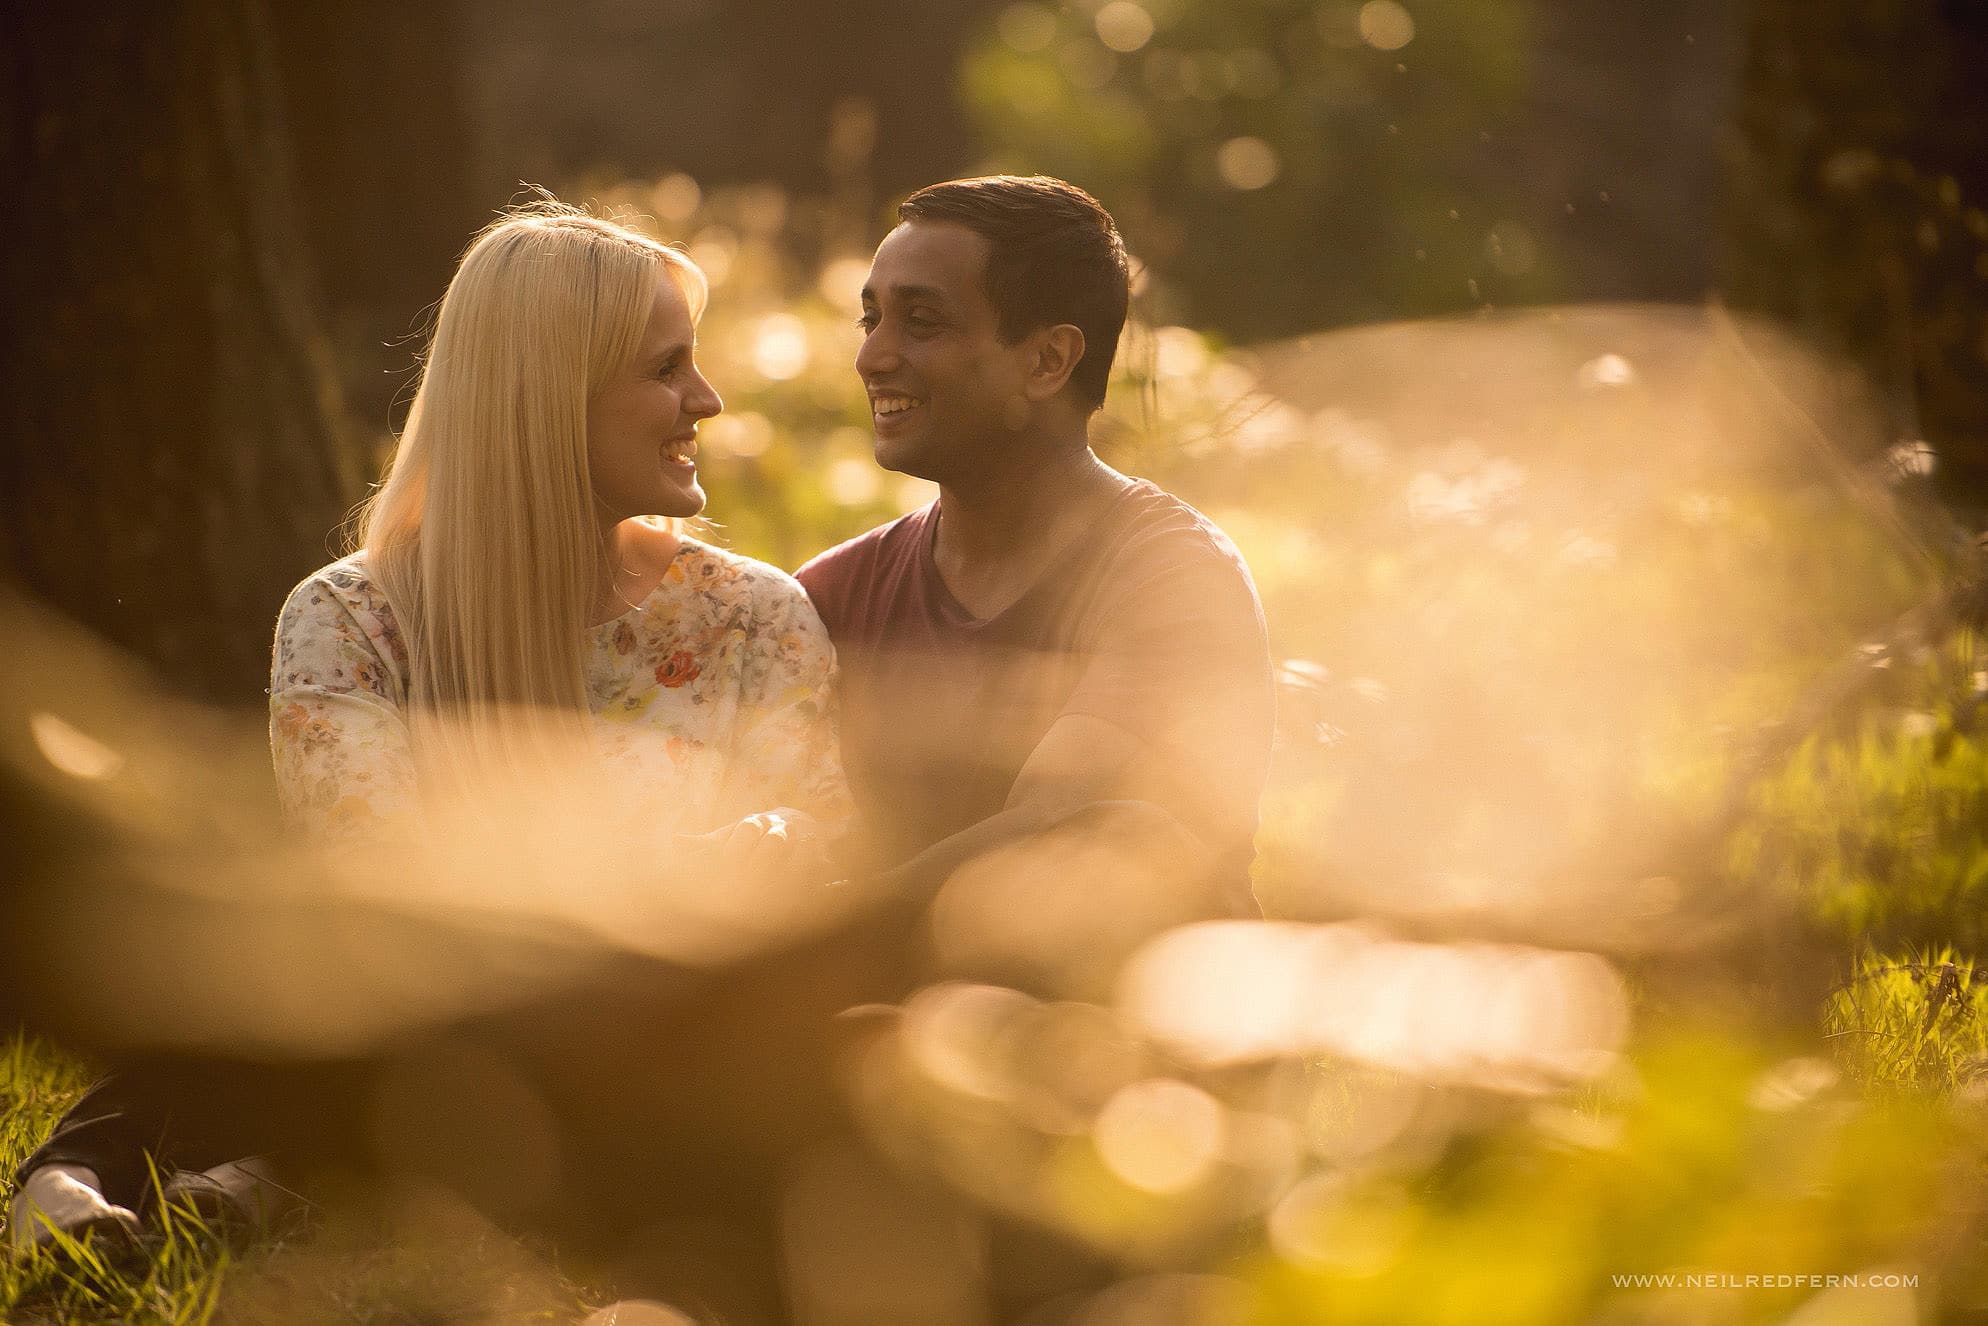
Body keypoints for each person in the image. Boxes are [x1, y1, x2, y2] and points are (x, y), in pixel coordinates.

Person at [9, 203, 850, 1256]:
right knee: (265, 999)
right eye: (666, 367)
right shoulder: (350, 619)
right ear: (547, 395)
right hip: (433, 1017)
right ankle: (71, 1192)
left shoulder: (755, 616)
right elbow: (374, 881)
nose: (707, 400)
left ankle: (266, 1189)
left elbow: (814, 852)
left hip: (672, 1036)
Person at [799, 175, 1275, 907]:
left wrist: (794, 945)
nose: (872, 357)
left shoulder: (1172, 576)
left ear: (1048, 361)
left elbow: (1055, 834)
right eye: (872, 321)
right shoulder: (830, 596)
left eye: (922, 321)